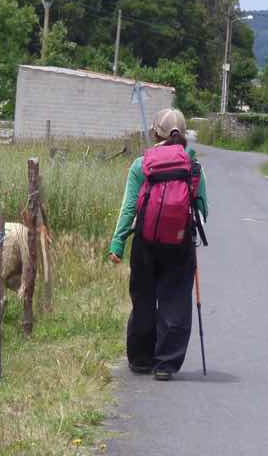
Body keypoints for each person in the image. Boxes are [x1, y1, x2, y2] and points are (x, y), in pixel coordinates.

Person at [108, 108, 208, 380]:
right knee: (174, 299)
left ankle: (141, 360)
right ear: (183, 134)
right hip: (179, 243)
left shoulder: (142, 164)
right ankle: (166, 364)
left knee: (143, 298)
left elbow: (129, 208)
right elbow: (202, 209)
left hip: (145, 241)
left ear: (155, 133)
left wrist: (117, 244)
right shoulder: (192, 163)